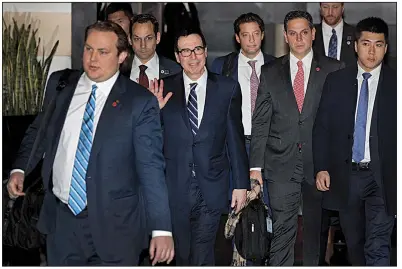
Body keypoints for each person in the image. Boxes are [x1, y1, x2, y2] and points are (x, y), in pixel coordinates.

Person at [7, 21, 174, 266]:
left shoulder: (139, 102)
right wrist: (20, 168)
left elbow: (151, 169)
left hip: (116, 227)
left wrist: (161, 229)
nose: (92, 58)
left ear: (122, 56)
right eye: (88, 49)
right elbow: (39, 132)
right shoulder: (61, 86)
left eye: (103, 52)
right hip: (62, 223)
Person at [249, 10, 344, 266]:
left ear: (313, 34)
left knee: (316, 233)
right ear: (285, 36)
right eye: (293, 33)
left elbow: (340, 122)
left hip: (319, 165)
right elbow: (260, 121)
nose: (299, 38)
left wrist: (337, 163)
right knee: (282, 232)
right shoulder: (269, 72)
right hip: (280, 164)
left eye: (304, 32)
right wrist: (255, 167)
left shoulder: (334, 69)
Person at [148, 28, 249, 265]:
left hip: (212, 185)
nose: (192, 57)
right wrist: (154, 114)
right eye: (185, 51)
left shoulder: (227, 88)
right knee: (181, 254)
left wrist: (241, 185)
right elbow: (151, 143)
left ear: (205, 52)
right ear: (177, 56)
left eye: (197, 50)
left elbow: (234, 137)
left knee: (203, 252)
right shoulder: (163, 89)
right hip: (175, 186)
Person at [313, 17, 396, 266]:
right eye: (366, 43)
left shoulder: (397, 84)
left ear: (386, 47)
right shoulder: (336, 81)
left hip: (383, 177)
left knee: (378, 244)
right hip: (347, 175)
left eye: (378, 44)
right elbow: (322, 127)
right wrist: (321, 167)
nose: (372, 51)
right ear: (355, 45)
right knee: (355, 244)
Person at [210, 12, 275, 265]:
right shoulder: (221, 66)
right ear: (237, 38)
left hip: (267, 147)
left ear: (263, 35)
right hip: (234, 146)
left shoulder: (276, 65)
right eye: (245, 35)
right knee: (235, 211)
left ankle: (262, 259)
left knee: (265, 211)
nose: (251, 40)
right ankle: (239, 259)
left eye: (256, 34)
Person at [124, 14, 181, 86]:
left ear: (157, 38)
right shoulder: (119, 69)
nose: (143, 45)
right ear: (129, 39)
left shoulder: (174, 70)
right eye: (137, 39)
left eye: (148, 38)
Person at [313, 2, 356, 67]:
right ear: (320, 8)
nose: (330, 12)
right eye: (325, 7)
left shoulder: (355, 33)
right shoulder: (310, 34)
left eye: (335, 7)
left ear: (342, 8)